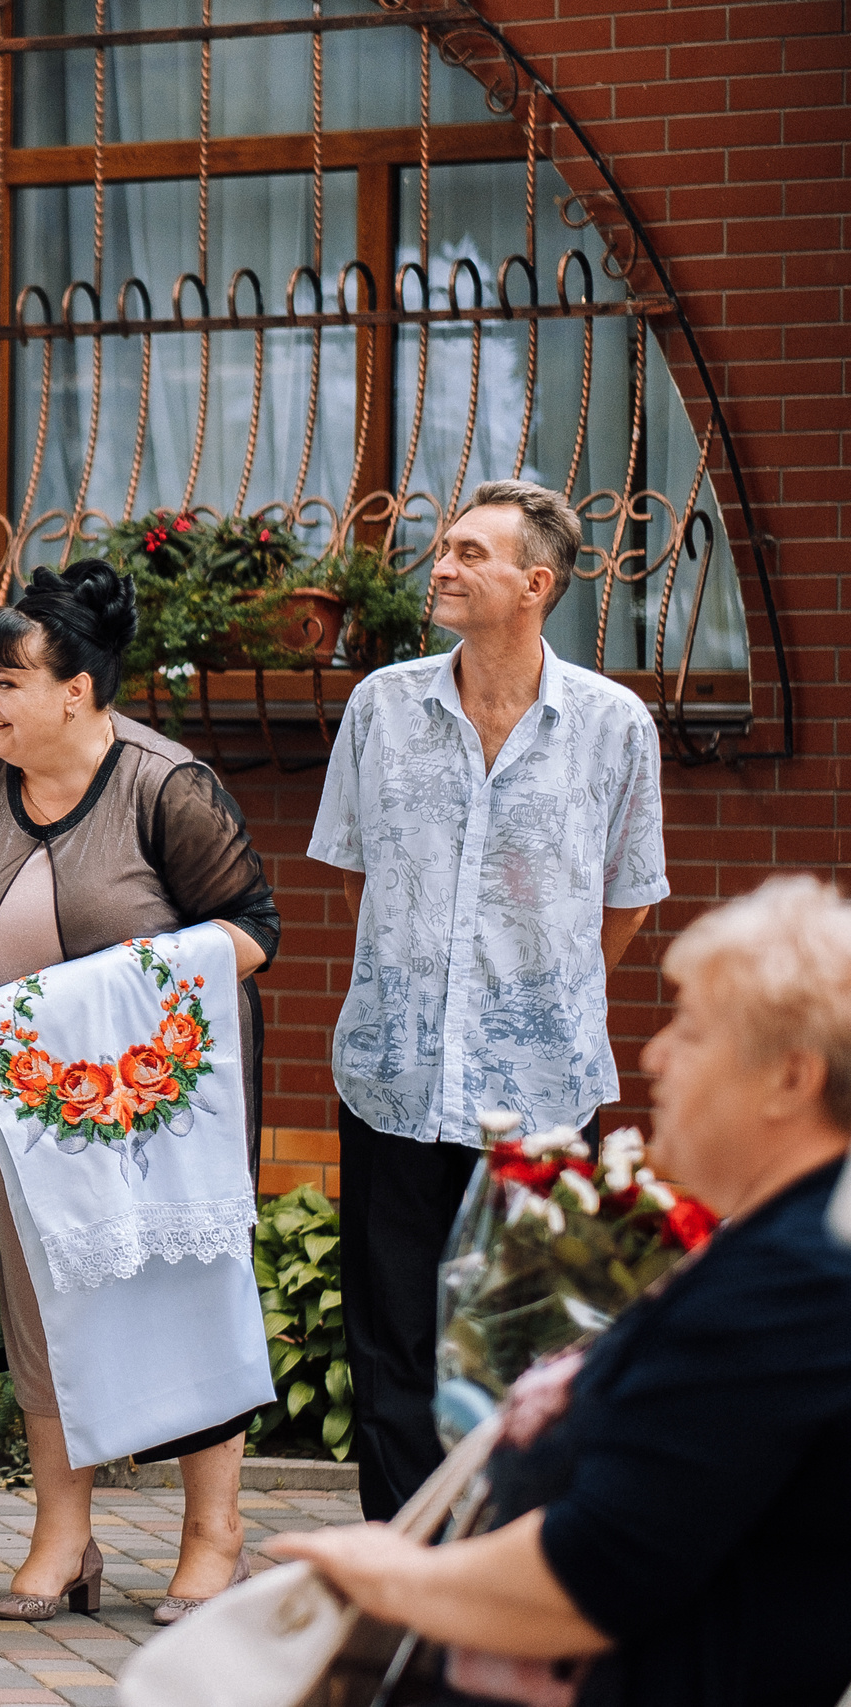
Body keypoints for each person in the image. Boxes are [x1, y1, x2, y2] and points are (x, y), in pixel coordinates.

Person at [268, 876, 851, 1707]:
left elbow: (593, 1573)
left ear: (791, 1078)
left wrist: (392, 1574)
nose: (653, 1055)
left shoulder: (791, 1285)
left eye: (690, 1030)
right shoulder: (775, 1252)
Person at [0, 559, 281, 1625]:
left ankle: (213, 1539)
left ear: (78, 689)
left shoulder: (165, 785)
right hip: (35, 1111)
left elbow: (249, 932)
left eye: (7, 682)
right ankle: (64, 1537)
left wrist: (98, 994)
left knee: (186, 1293)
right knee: (44, 1306)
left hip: (162, 1106)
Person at [308, 478, 668, 1521]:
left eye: (470, 552)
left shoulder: (613, 727)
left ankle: (502, 1567)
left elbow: (625, 903)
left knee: (531, 1344)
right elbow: (359, 875)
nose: (443, 565)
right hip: (394, 1074)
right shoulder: (380, 705)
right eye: (443, 547)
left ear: (534, 583)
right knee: (391, 1343)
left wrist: (535, 990)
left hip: (541, 1088)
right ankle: (401, 1566)